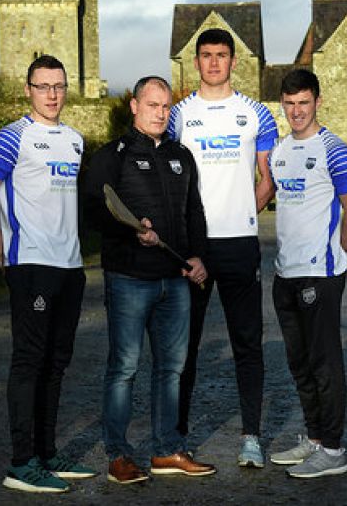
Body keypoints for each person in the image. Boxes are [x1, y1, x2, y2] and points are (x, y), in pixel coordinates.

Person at [0, 55, 96, 493]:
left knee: (56, 364)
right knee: (29, 362)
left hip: (70, 267)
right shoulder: (13, 137)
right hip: (32, 265)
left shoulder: (76, 141)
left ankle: (46, 453)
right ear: (28, 90)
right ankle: (22, 463)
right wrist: (0, 246)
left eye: (58, 86)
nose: (52, 95)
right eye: (43, 87)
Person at [82, 76, 216, 484]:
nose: (160, 112)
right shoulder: (113, 155)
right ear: (134, 106)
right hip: (129, 279)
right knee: (124, 368)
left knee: (171, 369)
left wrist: (197, 255)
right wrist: (132, 230)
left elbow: (194, 211)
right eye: (152, 105)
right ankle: (119, 456)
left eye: (166, 106)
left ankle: (166, 450)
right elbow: (93, 208)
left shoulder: (182, 156)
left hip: (174, 281)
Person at [168, 28, 279, 467]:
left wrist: (241, 212)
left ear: (234, 61)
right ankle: (176, 440)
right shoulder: (178, 115)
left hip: (239, 247)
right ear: (196, 62)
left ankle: (251, 437)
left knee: (247, 344)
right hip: (193, 250)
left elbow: (267, 180)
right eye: (206, 55)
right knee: (184, 348)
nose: (214, 62)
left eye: (222, 55)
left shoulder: (255, 115)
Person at [267, 68, 347, 478]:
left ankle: (335, 449)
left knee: (325, 364)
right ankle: (314, 438)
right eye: (289, 104)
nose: (296, 111)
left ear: (318, 102)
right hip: (284, 273)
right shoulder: (279, 149)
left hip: (319, 276)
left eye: (303, 103)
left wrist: (333, 256)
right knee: (300, 362)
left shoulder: (335, 149)